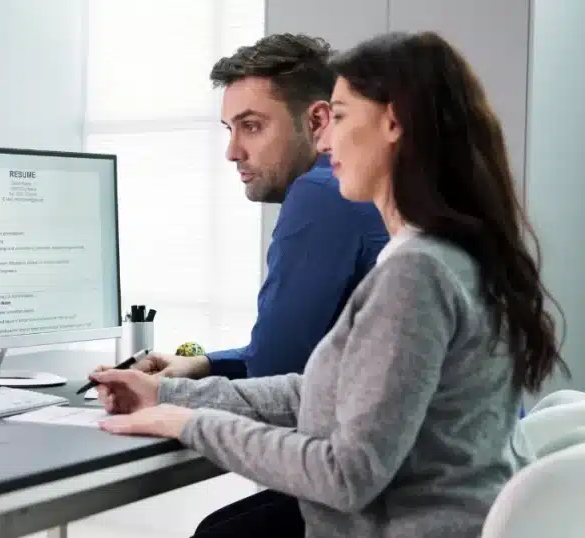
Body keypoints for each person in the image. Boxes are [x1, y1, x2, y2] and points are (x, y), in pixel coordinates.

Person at [89, 31, 565, 538]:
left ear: (392, 125)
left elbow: (346, 475)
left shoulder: (416, 273)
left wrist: (185, 422)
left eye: (338, 117)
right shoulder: (451, 251)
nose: (325, 139)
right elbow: (331, 392)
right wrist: (170, 393)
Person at [111, 34, 388, 381]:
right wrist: (206, 363)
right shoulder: (359, 188)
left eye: (252, 126)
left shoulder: (320, 193)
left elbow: (271, 373)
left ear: (317, 121)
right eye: (230, 129)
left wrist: (158, 394)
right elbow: (286, 356)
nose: (232, 151)